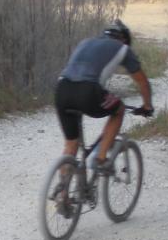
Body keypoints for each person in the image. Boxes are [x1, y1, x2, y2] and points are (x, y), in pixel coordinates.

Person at [55, 19, 154, 177]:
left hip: (62, 89)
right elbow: (143, 82)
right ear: (124, 40)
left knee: (70, 145)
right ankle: (100, 160)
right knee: (119, 109)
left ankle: (62, 195)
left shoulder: (86, 42)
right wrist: (147, 106)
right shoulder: (123, 48)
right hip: (87, 90)